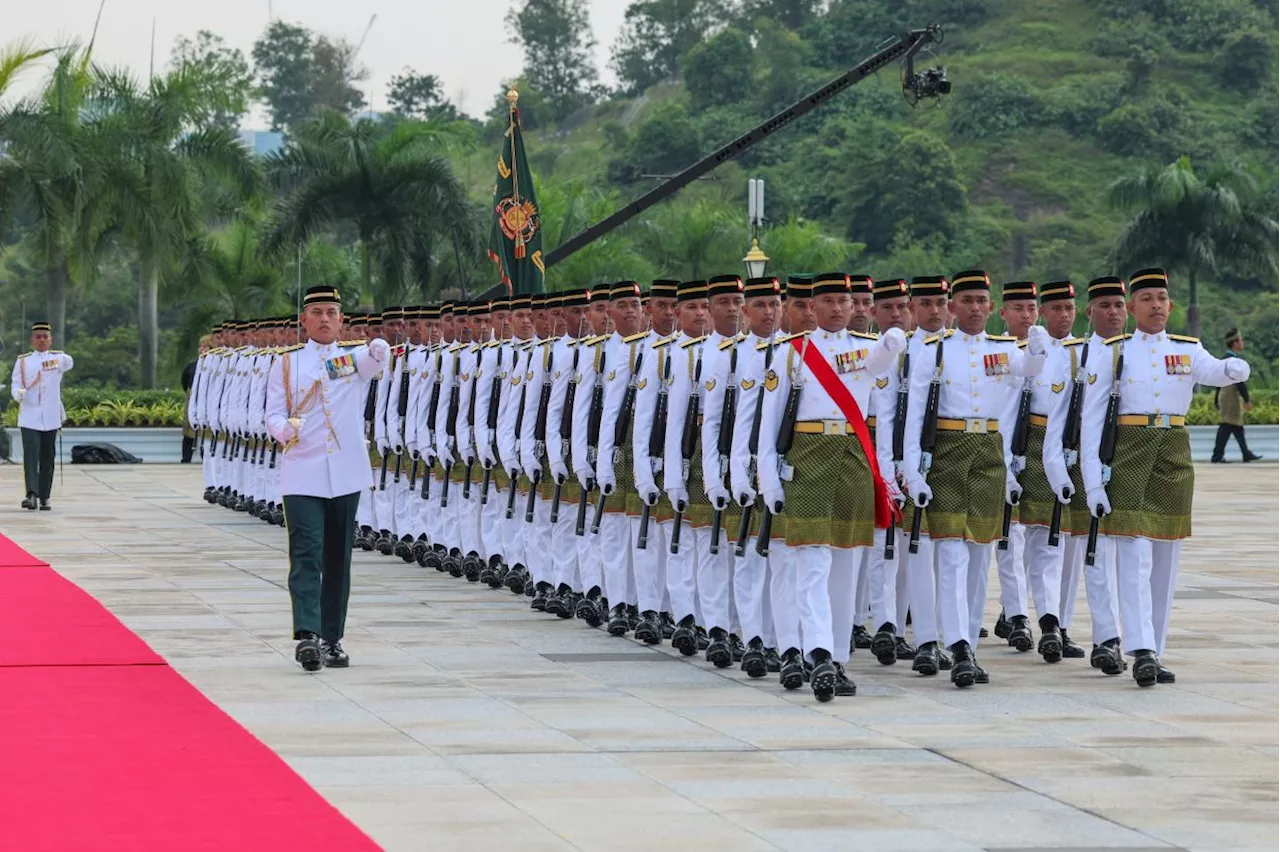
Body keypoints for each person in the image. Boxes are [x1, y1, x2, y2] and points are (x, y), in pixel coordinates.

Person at [1081, 268, 1249, 687]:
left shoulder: (1187, 349)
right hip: (1130, 451)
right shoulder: (1114, 352)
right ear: (1132, 307)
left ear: (1170, 306)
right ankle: (1139, 648)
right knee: (1133, 555)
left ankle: (1155, 646)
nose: (1156, 305)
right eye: (1147, 298)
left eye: (1162, 298)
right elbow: (1090, 422)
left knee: (1166, 558)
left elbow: (1213, 370)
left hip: (1173, 449)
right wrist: (1093, 483)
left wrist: (1234, 368)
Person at [757, 272, 906, 701]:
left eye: (846, 300)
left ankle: (836, 655)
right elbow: (768, 429)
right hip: (807, 459)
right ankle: (816, 651)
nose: (840, 308)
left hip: (853, 459)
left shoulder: (865, 350)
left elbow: (878, 363)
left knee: (847, 566)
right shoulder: (789, 356)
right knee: (811, 563)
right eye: (829, 301)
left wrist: (892, 342)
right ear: (811, 307)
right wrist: (770, 480)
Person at [903, 270, 1048, 688]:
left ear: (990, 306)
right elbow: (915, 417)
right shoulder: (934, 350)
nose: (975, 307)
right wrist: (914, 471)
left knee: (979, 554)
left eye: (982, 300)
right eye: (966, 300)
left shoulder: (1002, 350)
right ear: (953, 307)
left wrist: (1037, 348)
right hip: (946, 451)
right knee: (949, 553)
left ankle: (967, 642)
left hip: (988, 452)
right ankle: (959, 644)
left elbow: (1029, 368)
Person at [266, 286, 390, 671]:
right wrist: (282, 429)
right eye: (317, 311)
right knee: (305, 553)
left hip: (346, 473)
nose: (324, 318)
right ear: (304, 320)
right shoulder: (287, 364)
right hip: (302, 472)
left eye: (331, 312)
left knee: (338, 558)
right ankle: (307, 635)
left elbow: (373, 365)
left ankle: (332, 637)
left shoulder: (352, 359)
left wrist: (380, 348)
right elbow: (270, 414)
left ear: (341, 320)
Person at [11, 322, 73, 510]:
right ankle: (31, 494)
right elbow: (15, 383)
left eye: (45, 337)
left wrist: (56, 360)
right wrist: (18, 393)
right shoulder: (23, 361)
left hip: (51, 416)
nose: (41, 340)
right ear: (32, 340)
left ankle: (45, 496)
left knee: (48, 457)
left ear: (50, 339)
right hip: (30, 415)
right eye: (38, 337)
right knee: (31, 455)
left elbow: (69, 363)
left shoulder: (58, 358)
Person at [1211, 328, 1261, 463]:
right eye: (1241, 340)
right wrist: (1247, 399)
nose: (1242, 342)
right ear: (1235, 343)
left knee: (1235, 425)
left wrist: (1216, 398)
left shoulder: (1226, 359)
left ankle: (1245, 453)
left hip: (1227, 395)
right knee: (1228, 425)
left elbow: (1217, 380)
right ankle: (1217, 455)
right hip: (1230, 397)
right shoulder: (1231, 360)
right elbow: (1240, 382)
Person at [181, 350, 201, 463]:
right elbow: (185, 381)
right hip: (192, 397)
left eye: (206, 347)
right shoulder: (192, 366)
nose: (202, 349)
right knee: (188, 431)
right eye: (200, 346)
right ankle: (186, 457)